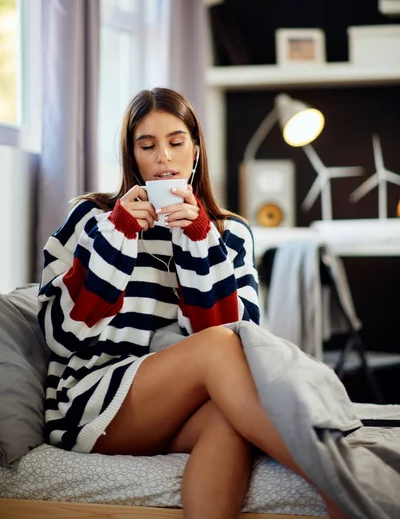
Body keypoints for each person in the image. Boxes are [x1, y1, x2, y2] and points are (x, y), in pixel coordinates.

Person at [38, 87, 347, 519]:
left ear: (196, 149)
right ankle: (336, 484)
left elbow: (244, 337)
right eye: (147, 146)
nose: (163, 157)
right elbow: (60, 334)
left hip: (184, 404)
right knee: (219, 346)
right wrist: (120, 234)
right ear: (132, 157)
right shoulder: (91, 220)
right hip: (93, 397)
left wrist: (200, 239)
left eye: (176, 142)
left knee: (230, 420)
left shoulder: (229, 233)